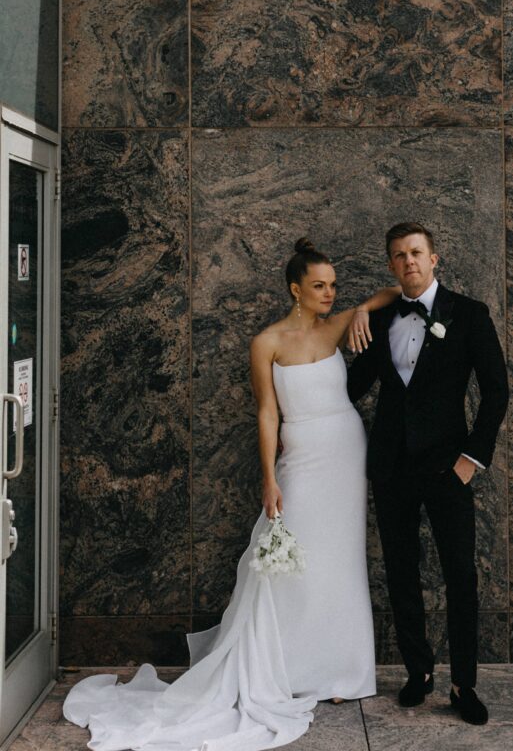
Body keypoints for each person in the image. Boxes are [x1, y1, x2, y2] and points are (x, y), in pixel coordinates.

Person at [63, 238, 400, 751]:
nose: (330, 294)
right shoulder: (266, 343)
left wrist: (360, 313)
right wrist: (270, 477)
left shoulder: (338, 325)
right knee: (289, 560)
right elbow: (268, 413)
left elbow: (395, 289)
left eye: (333, 286)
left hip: (347, 454)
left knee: (340, 558)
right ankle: (286, 665)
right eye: (319, 286)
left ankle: (339, 672)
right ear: (295, 289)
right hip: (302, 458)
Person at [347, 222, 509, 726]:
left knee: (460, 575)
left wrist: (470, 461)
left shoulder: (470, 315)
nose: (408, 261)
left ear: (434, 259)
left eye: (416, 252)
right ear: (391, 266)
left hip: (448, 468)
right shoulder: (380, 318)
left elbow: (497, 392)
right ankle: (418, 673)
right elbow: (352, 385)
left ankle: (464, 684)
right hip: (392, 467)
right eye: (398, 256)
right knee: (401, 572)